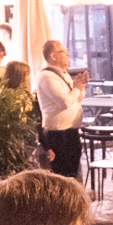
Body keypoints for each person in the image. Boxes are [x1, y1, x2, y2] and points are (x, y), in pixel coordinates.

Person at [35, 40, 86, 179]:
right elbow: (64, 102)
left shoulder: (63, 74)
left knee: (72, 173)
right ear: (52, 56)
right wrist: (76, 88)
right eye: (62, 51)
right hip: (57, 134)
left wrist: (80, 87)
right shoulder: (46, 76)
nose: (67, 54)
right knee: (62, 175)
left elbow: (75, 99)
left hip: (70, 132)